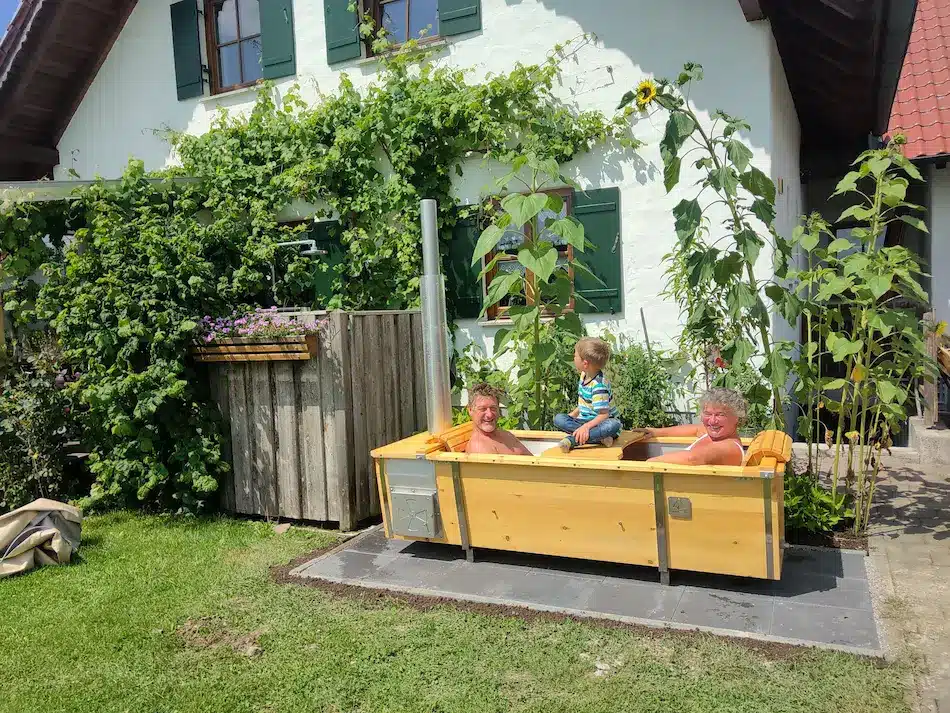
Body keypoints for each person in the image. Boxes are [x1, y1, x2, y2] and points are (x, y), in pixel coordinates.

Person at [641, 387, 747, 466]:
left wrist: (651, 462)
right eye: (707, 414)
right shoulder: (712, 434)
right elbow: (695, 429)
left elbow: (693, 458)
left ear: (737, 417)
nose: (712, 421)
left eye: (720, 415)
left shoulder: (729, 446)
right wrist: (656, 432)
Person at [554, 337, 623, 452]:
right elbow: (583, 403)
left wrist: (586, 427)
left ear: (585, 363)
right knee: (559, 419)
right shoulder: (583, 375)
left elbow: (603, 415)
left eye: (575, 356)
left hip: (602, 423)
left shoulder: (598, 386)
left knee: (613, 425)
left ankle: (572, 440)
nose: (573, 358)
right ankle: (597, 438)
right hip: (585, 422)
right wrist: (572, 416)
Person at [464, 383, 533, 456]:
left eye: (493, 408)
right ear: (470, 410)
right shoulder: (479, 448)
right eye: (483, 409)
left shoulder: (506, 435)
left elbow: (533, 460)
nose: (489, 414)